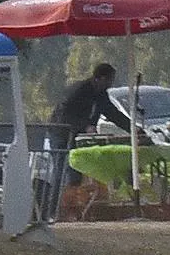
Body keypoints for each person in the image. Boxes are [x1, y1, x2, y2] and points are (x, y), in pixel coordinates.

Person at [51, 63, 129, 191]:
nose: (111, 84)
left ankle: (74, 201)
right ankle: (56, 206)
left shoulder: (101, 95)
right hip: (60, 134)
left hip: (77, 137)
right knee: (62, 172)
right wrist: (85, 126)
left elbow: (113, 114)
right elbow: (63, 115)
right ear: (101, 78)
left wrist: (132, 128)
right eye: (110, 80)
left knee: (76, 172)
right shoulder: (79, 90)